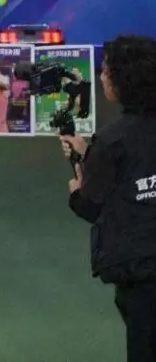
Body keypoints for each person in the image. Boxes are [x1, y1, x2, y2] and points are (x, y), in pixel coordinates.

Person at [62, 35, 156, 362]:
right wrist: (90, 154)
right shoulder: (109, 144)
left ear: (124, 80)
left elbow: (90, 205)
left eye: (106, 70)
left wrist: (77, 189)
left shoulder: (113, 139)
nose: (101, 76)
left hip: (141, 269)